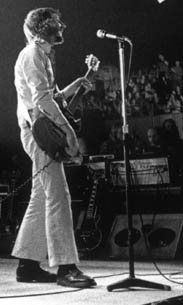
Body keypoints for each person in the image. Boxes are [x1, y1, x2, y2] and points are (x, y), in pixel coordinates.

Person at [11, 7, 96, 288]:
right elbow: (43, 101)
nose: (61, 26)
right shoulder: (33, 54)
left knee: (41, 196)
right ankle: (66, 268)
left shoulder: (40, 55)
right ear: (40, 27)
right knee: (59, 196)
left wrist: (74, 86)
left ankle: (27, 265)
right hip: (39, 133)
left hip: (38, 131)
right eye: (55, 22)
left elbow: (52, 96)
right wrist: (69, 133)